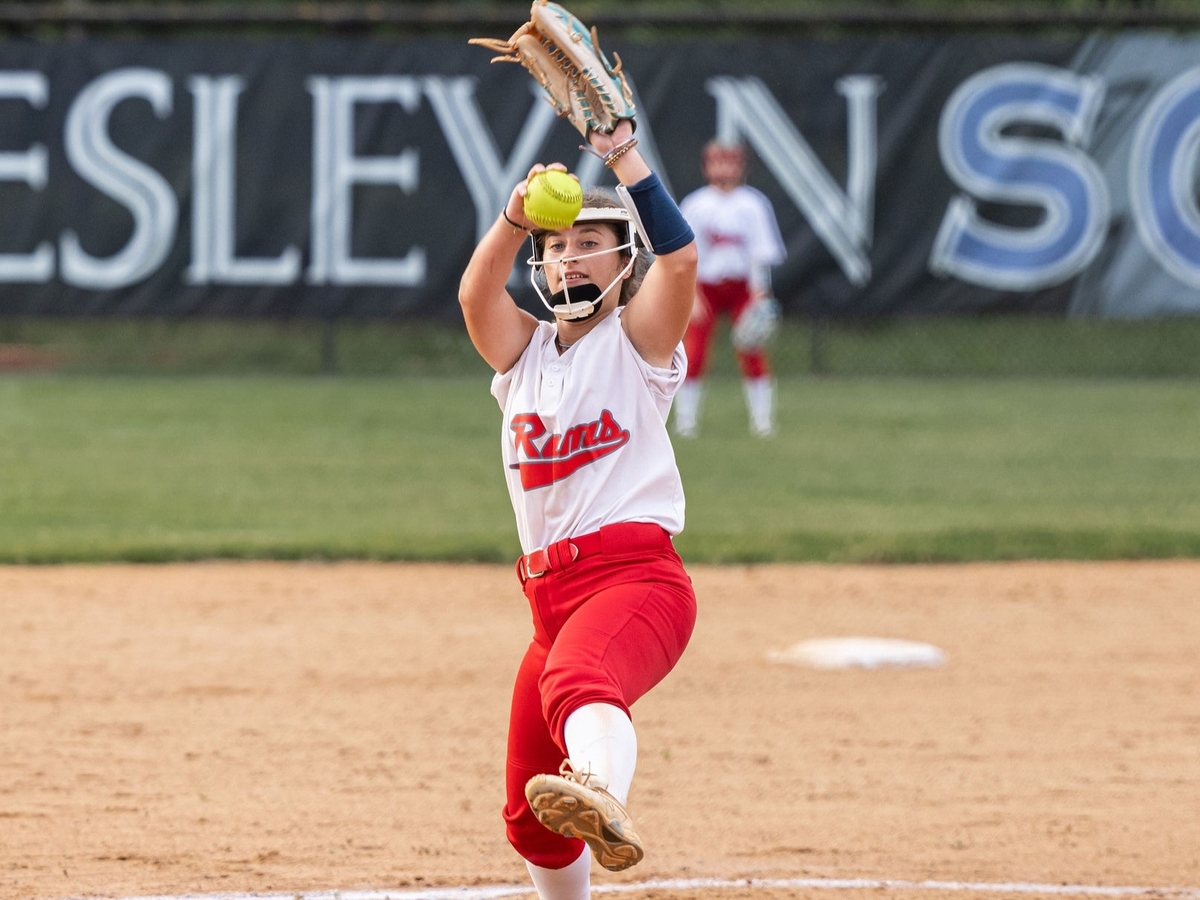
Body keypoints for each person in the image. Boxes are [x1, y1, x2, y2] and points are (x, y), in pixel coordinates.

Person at [457, 116, 699, 900]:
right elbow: (473, 293)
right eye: (558, 245)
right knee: (528, 810)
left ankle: (602, 792)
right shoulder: (523, 354)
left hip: (636, 579)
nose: (569, 254)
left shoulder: (638, 341)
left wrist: (622, 157)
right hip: (546, 600)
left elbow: (684, 258)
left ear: (623, 255)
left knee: (580, 679)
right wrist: (514, 215)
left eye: (588, 240)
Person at [676, 140, 787, 438]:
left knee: (752, 349)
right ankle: (686, 421)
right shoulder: (695, 204)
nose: (724, 168)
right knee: (693, 354)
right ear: (706, 167)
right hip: (705, 287)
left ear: (741, 167)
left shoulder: (753, 203)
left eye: (730, 162)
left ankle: (763, 421)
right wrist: (692, 295)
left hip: (743, 288)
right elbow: (687, 255)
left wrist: (760, 294)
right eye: (717, 162)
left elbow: (760, 255)